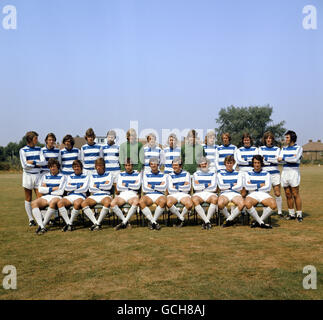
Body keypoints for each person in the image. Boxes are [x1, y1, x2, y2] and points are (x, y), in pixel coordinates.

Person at [31, 158, 66, 234]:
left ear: (57, 167)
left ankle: (42, 226)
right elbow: (40, 189)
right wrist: (53, 188)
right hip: (46, 197)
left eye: (54, 166)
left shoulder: (63, 177)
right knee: (34, 203)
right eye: (50, 167)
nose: (52, 168)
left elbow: (61, 191)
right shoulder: (44, 176)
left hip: (57, 197)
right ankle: (42, 226)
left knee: (53, 202)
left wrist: (46, 188)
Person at [19, 131, 46, 226]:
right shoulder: (23, 150)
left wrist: (33, 162)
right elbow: (24, 165)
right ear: (31, 139)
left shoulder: (40, 149)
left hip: (38, 175)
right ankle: (31, 219)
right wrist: (37, 164)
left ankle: (42, 218)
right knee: (28, 198)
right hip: (27, 176)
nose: (37, 140)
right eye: (36, 138)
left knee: (40, 197)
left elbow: (43, 162)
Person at [80, 158, 113, 231]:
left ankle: (97, 223)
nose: (98, 167)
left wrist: (97, 185)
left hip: (105, 194)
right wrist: (103, 185)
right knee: (84, 203)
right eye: (97, 166)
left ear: (103, 166)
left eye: (100, 165)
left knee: (107, 202)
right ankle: (96, 223)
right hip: (95, 195)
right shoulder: (92, 175)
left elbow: (109, 186)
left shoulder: (109, 174)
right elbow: (91, 188)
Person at [244, 155, 276, 229]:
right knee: (247, 203)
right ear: (253, 163)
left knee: (273, 205)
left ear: (261, 163)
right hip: (252, 194)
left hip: (264, 194)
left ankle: (258, 222)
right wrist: (260, 185)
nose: (257, 165)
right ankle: (261, 223)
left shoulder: (266, 173)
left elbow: (268, 187)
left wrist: (252, 185)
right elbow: (247, 186)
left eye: (258, 163)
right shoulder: (248, 173)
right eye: (255, 163)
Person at [57, 160, 90, 231]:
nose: (76, 168)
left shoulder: (86, 176)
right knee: (60, 203)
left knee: (77, 203)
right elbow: (66, 188)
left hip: (81, 196)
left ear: (81, 167)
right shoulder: (70, 176)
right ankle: (69, 223)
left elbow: (84, 189)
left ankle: (70, 223)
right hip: (70, 196)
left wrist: (72, 187)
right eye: (74, 167)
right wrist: (78, 186)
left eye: (78, 166)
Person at [278, 130, 303, 221]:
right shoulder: (283, 149)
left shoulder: (299, 148)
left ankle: (299, 214)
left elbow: (295, 159)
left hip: (294, 171)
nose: (286, 139)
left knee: (295, 193)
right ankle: (291, 214)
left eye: (287, 137)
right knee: (288, 194)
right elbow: (279, 159)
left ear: (292, 138)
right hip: (285, 171)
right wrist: (289, 158)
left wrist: (284, 158)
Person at [111, 158, 142, 230]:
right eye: (126, 165)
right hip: (123, 194)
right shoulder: (121, 174)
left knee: (136, 202)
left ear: (132, 166)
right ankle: (126, 221)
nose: (128, 167)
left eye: (130, 165)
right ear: (124, 166)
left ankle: (123, 222)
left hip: (133, 193)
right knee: (112, 203)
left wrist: (125, 184)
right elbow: (119, 187)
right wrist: (132, 184)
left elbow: (137, 186)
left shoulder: (137, 174)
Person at [258, 131, 283, 217]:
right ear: (264, 139)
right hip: (265, 174)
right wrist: (272, 159)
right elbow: (261, 160)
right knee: (265, 193)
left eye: (270, 138)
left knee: (277, 192)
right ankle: (266, 211)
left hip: (275, 173)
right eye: (267, 138)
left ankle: (280, 212)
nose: (269, 140)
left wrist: (267, 159)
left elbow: (278, 160)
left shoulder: (277, 149)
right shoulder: (260, 149)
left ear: (272, 139)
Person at [139, 158, 168, 230]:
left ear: (158, 165)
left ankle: (152, 222)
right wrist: (159, 185)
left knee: (163, 201)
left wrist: (152, 186)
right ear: (149, 165)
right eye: (151, 164)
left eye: (155, 163)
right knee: (141, 201)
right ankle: (154, 222)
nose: (153, 165)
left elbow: (164, 188)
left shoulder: (163, 175)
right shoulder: (146, 175)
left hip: (159, 195)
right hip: (148, 195)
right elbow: (145, 188)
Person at [217, 155, 244, 227]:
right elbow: (221, 186)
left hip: (235, 193)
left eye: (231, 163)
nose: (229, 165)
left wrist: (227, 185)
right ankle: (231, 219)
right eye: (227, 163)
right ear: (225, 163)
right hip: (224, 193)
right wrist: (233, 184)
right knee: (220, 204)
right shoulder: (220, 174)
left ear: (233, 163)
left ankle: (228, 220)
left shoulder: (238, 173)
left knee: (241, 204)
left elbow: (240, 186)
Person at [191, 157, 218, 230]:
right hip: (199, 193)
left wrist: (201, 185)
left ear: (208, 164)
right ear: (199, 165)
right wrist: (207, 185)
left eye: (205, 163)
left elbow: (214, 187)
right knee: (194, 199)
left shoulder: (213, 174)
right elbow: (195, 187)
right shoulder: (195, 174)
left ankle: (206, 221)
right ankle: (207, 222)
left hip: (210, 193)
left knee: (215, 199)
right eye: (201, 164)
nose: (203, 165)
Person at [166, 157, 193, 227]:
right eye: (173, 165)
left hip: (184, 194)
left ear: (180, 166)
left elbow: (188, 188)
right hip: (173, 194)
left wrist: (176, 187)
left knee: (189, 204)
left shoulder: (187, 174)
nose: (174, 167)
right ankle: (181, 218)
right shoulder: (169, 175)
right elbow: (170, 189)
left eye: (176, 165)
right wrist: (182, 186)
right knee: (168, 203)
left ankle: (180, 218)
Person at [235, 133, 259, 197]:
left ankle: (250, 206)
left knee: (252, 192)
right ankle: (243, 206)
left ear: (250, 140)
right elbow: (239, 161)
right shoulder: (239, 150)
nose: (246, 141)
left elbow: (256, 159)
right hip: (242, 171)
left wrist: (245, 159)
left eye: (248, 140)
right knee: (243, 192)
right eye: (245, 140)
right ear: (243, 141)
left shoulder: (255, 149)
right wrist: (250, 161)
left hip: (252, 172)